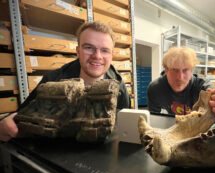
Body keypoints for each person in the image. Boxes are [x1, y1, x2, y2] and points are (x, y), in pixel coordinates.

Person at [0, 21, 130, 142]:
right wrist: (6, 123)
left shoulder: (119, 87)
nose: (97, 56)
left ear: (112, 56)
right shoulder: (53, 80)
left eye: (105, 50)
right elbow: (20, 116)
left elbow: (125, 127)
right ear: (78, 52)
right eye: (89, 48)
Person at [147, 46, 215, 123]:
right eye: (174, 70)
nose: (180, 77)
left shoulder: (203, 87)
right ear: (166, 70)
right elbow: (154, 119)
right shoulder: (155, 88)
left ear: (192, 70)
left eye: (185, 70)